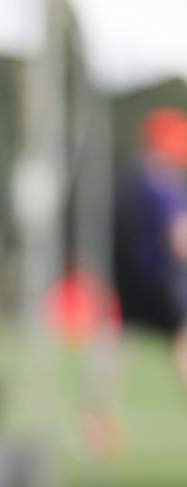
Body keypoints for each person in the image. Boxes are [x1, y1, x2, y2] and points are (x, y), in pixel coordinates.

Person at [115, 107, 187, 388]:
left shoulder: (133, 179)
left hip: (132, 277)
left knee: (123, 337)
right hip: (163, 280)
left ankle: (95, 409)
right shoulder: (165, 186)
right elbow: (178, 238)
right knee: (182, 338)